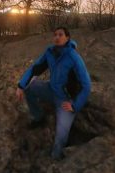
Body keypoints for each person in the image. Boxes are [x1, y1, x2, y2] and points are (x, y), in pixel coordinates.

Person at [14, 26, 91, 160]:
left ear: (67, 38)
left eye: (60, 35)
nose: (57, 37)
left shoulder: (73, 57)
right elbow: (35, 68)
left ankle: (56, 158)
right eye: (55, 35)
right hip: (51, 89)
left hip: (65, 100)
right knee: (29, 88)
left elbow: (86, 85)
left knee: (61, 136)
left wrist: (75, 105)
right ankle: (39, 117)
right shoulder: (50, 52)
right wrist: (21, 85)